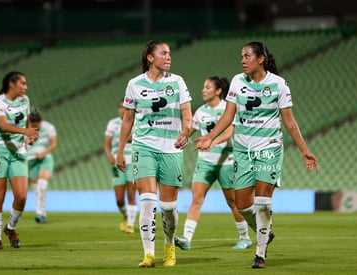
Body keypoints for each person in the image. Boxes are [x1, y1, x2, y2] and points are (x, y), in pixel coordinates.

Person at [194, 42, 319, 269]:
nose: (242, 60)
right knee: (242, 205)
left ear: (260, 59)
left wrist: (304, 150)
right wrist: (211, 137)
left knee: (262, 202)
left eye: (247, 56)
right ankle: (265, 232)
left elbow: (289, 122)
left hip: (269, 148)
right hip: (243, 151)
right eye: (241, 56)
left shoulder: (278, 84)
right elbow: (228, 116)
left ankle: (260, 254)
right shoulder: (238, 82)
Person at [116, 40, 192, 268]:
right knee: (148, 202)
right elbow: (128, 119)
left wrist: (186, 131)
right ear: (150, 57)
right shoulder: (135, 84)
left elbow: (187, 114)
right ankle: (148, 254)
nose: (169, 57)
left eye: (170, 53)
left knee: (168, 209)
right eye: (164, 53)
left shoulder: (177, 82)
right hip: (143, 147)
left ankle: (169, 247)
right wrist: (121, 149)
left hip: (171, 149)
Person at [174, 76, 252, 250]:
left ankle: (244, 237)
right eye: (203, 86)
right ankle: (186, 238)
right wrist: (179, 138)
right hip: (205, 162)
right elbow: (188, 132)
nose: (203, 90)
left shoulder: (228, 108)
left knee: (233, 203)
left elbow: (229, 132)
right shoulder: (201, 111)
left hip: (227, 162)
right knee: (196, 199)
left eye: (207, 87)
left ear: (218, 91)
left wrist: (212, 141)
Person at [0, 71, 39, 250]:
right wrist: (26, 132)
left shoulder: (25, 100)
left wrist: (30, 135)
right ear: (12, 84)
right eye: (23, 83)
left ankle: (10, 228)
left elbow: (27, 122)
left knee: (22, 196)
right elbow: (2, 125)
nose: (26, 87)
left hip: (18, 152)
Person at [104, 100, 137, 234]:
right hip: (118, 161)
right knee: (119, 199)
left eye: (125, 107)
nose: (123, 110)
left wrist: (133, 137)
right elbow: (107, 143)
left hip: (133, 160)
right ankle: (126, 215)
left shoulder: (136, 122)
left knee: (131, 194)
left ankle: (130, 224)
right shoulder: (113, 124)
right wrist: (110, 156)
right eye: (121, 107)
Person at [27, 110, 57, 224]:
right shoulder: (25, 129)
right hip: (31, 160)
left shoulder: (48, 127)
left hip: (45, 158)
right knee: (36, 188)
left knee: (42, 184)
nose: (36, 127)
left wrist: (43, 153)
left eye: (37, 125)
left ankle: (39, 213)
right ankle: (42, 211)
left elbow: (54, 144)